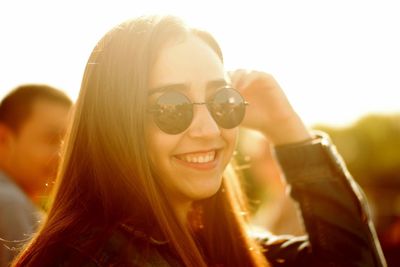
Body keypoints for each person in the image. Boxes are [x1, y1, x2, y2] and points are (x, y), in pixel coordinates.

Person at [12, 15, 386, 267]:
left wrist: (289, 132)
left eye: (222, 101)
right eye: (172, 107)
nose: (208, 129)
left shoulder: (214, 244)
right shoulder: (86, 258)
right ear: (115, 122)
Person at [0, 84, 72, 266]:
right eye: (52, 139)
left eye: (69, 142)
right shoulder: (10, 204)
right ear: (3, 140)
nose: (63, 155)